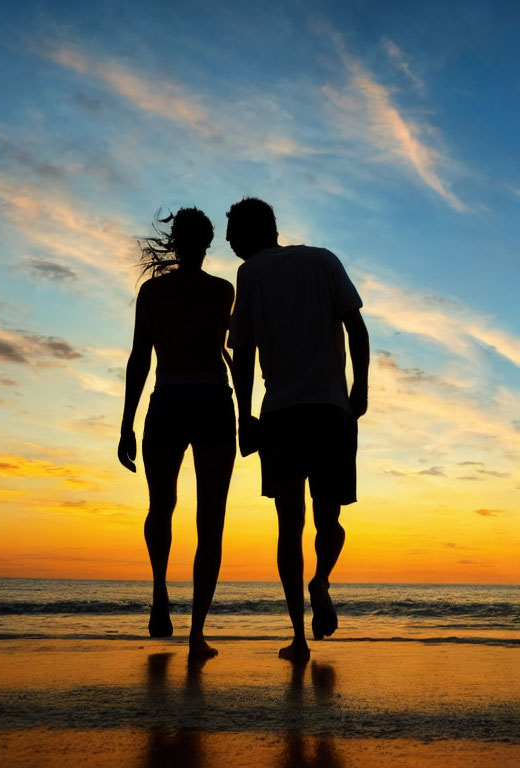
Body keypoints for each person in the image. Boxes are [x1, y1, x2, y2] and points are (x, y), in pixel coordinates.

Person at [226, 197, 369, 663]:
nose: (228, 241)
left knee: (290, 527)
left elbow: (243, 350)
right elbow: (357, 328)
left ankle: (299, 637)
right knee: (328, 521)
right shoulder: (323, 259)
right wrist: (360, 388)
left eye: (233, 231)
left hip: (284, 416)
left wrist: (243, 415)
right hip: (331, 411)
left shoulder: (250, 275)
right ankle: (321, 581)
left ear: (256, 230)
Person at [118, 207, 236, 658]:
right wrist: (246, 413)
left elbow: (139, 360)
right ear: (206, 244)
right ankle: (195, 631)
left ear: (176, 241)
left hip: (170, 402)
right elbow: (239, 355)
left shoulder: (155, 291)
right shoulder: (222, 290)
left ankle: (160, 592)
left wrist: (126, 424)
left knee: (163, 507)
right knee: (209, 520)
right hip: (208, 402)